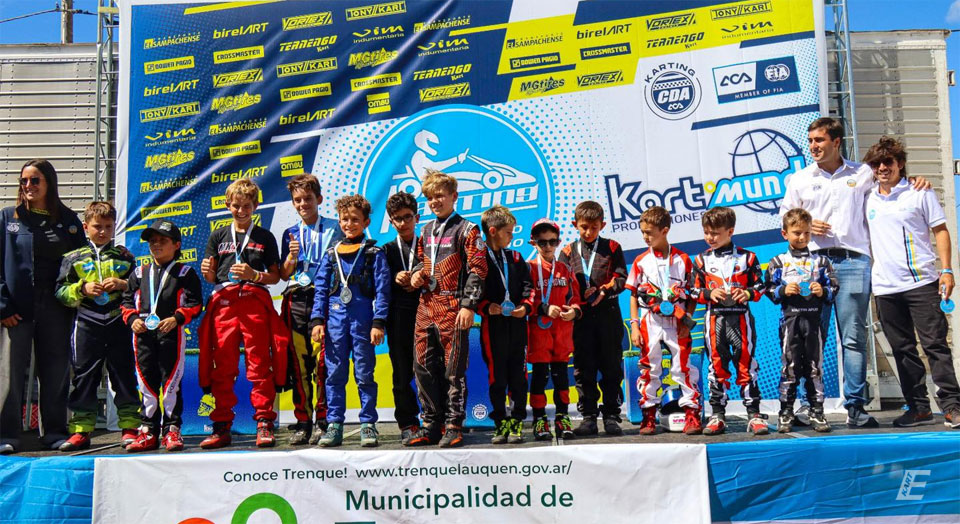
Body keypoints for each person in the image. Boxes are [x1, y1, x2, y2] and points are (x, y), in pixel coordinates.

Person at [780, 117, 928, 428]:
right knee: (810, 339)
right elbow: (786, 217)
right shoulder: (800, 178)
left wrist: (916, 180)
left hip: (853, 262)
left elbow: (890, 186)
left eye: (819, 140)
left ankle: (856, 408)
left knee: (853, 339)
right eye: (811, 141)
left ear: (836, 142)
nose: (813, 146)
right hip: (813, 264)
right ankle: (810, 405)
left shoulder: (862, 174)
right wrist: (807, 225)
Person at [862, 137, 960, 429]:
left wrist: (947, 270)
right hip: (885, 288)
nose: (882, 168)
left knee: (935, 346)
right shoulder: (867, 197)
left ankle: (952, 406)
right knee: (902, 350)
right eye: (876, 164)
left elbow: (940, 230)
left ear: (900, 164)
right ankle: (918, 408)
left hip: (922, 283)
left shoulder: (919, 191)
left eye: (888, 162)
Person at [0, 159, 86, 454]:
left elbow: (82, 265)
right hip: (16, 309)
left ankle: (54, 432)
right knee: (10, 373)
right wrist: (2, 305)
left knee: (55, 371)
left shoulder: (69, 220)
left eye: (35, 180)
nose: (28, 186)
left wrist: (77, 295)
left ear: (49, 183)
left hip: (56, 307)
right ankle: (7, 435)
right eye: (24, 180)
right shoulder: (7, 218)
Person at [198, 179, 289, 449]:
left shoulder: (264, 236)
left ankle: (264, 422)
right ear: (228, 205)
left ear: (255, 206)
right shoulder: (218, 236)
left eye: (246, 206)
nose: (241, 211)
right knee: (223, 366)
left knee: (259, 365)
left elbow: (275, 276)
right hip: (225, 304)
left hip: (253, 301)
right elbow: (212, 276)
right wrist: (207, 273)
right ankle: (221, 425)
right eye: (236, 206)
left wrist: (254, 275)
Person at [407, 170, 487, 448]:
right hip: (426, 305)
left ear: (454, 196)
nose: (435, 202)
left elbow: (478, 269)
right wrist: (416, 274)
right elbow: (421, 262)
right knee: (422, 367)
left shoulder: (467, 229)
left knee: (453, 370)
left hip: (453, 305)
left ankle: (454, 425)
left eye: (440, 196)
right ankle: (431, 424)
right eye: (430, 197)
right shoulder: (425, 230)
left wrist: (468, 305)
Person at [55, 201, 139, 451]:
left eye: (108, 227)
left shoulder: (125, 257)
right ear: (86, 227)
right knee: (84, 377)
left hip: (118, 321)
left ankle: (130, 427)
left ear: (114, 227)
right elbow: (59, 292)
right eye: (97, 226)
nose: (102, 231)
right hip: (86, 321)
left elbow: (141, 290)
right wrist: (82, 288)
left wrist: (123, 285)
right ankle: (81, 430)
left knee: (124, 375)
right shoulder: (73, 258)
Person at [310, 195, 390, 447]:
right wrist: (317, 320)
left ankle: (368, 424)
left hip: (363, 321)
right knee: (334, 374)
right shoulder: (331, 253)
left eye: (355, 219)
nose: (349, 224)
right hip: (335, 322)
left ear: (366, 222)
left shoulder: (373, 253)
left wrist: (379, 322)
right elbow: (320, 289)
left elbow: (383, 290)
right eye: (345, 219)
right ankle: (334, 424)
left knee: (365, 373)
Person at [121, 219, 203, 451]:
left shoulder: (185, 273)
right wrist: (133, 320)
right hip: (143, 335)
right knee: (145, 383)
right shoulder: (139, 273)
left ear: (176, 244)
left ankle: (172, 430)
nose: (156, 245)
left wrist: (176, 318)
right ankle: (148, 431)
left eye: (162, 240)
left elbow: (196, 303)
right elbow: (126, 302)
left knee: (170, 384)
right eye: (152, 241)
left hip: (171, 334)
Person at [691, 206, 767, 436]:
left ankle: (754, 414)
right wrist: (709, 293)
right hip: (715, 318)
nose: (710, 237)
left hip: (741, 316)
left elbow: (761, 286)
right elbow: (692, 291)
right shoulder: (701, 259)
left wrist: (747, 293)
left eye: (715, 233)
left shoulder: (747, 257)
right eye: (706, 232)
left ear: (730, 231)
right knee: (716, 365)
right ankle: (717, 414)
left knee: (746, 363)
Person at [626, 206, 701, 436]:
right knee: (650, 368)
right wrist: (634, 325)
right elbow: (633, 295)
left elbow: (693, 294)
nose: (645, 237)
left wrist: (687, 320)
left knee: (682, 367)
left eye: (649, 232)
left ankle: (692, 413)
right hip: (650, 320)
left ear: (665, 230)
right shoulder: (640, 261)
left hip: (677, 321)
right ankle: (648, 415)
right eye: (642, 232)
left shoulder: (683, 259)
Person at [278, 174, 342, 445]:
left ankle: (324, 421)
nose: (303, 204)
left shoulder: (335, 228)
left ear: (319, 199)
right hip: (296, 300)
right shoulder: (289, 233)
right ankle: (303, 421)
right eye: (298, 200)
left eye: (308, 199)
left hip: (323, 299)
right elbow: (283, 274)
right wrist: (292, 257)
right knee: (299, 366)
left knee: (323, 365)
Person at [765, 208, 838, 433]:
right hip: (791, 322)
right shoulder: (778, 262)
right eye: (797, 233)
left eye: (806, 233)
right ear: (785, 233)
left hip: (814, 322)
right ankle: (786, 411)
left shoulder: (822, 261)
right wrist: (783, 290)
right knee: (790, 367)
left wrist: (822, 291)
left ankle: (817, 410)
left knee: (814, 367)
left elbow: (834, 288)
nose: (802, 237)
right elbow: (768, 289)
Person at [558, 200, 628, 437]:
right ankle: (588, 416)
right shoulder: (567, 252)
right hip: (582, 318)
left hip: (608, 315)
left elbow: (622, 278)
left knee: (611, 367)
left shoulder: (613, 247)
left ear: (602, 225)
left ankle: (611, 416)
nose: (588, 232)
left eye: (594, 228)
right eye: (584, 227)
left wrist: (604, 290)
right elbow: (563, 283)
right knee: (583, 368)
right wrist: (576, 299)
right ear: (575, 224)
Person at [478, 205, 533, 444]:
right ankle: (500, 423)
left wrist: (525, 307)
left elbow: (529, 287)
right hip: (493, 328)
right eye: (508, 232)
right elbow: (471, 291)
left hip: (518, 325)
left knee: (519, 376)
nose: (511, 237)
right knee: (497, 377)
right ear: (493, 231)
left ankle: (517, 422)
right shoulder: (479, 260)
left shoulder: (516, 258)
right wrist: (486, 307)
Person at [527, 219, 582, 441]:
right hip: (538, 332)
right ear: (534, 243)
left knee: (561, 377)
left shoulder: (565, 270)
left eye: (553, 242)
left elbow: (575, 298)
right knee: (539, 377)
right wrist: (542, 308)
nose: (548, 246)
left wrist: (574, 311)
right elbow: (525, 299)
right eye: (543, 242)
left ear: (558, 242)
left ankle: (562, 417)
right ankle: (539, 418)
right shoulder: (529, 268)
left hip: (562, 332)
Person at [382, 192, 424, 445]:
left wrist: (421, 276)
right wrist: (394, 277)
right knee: (401, 373)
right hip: (398, 316)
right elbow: (378, 286)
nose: (403, 223)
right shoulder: (386, 250)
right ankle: (408, 423)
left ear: (416, 217)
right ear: (391, 221)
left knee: (431, 371)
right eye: (397, 219)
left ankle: (434, 419)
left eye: (407, 217)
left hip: (428, 313)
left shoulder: (430, 246)